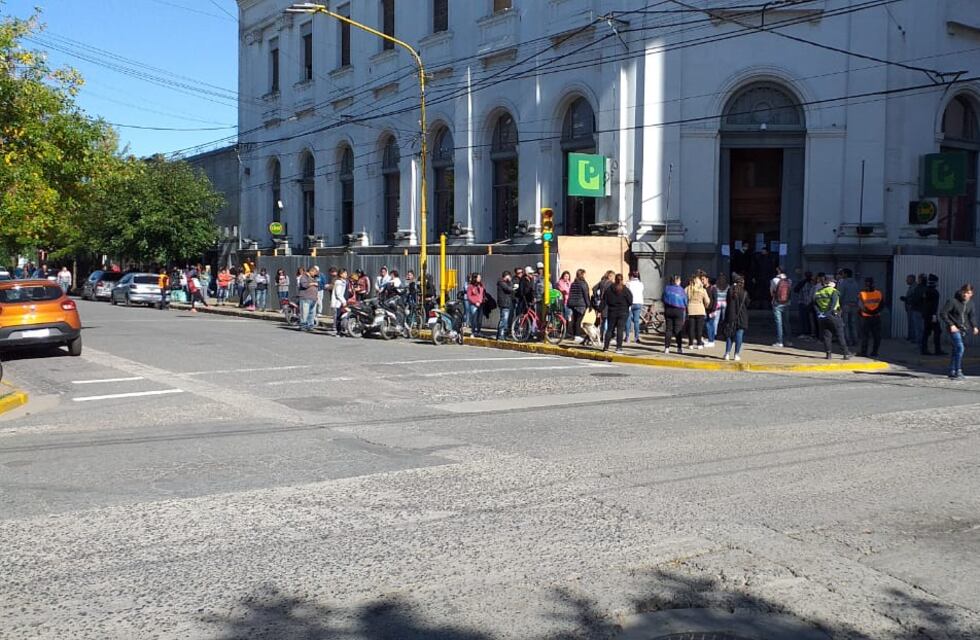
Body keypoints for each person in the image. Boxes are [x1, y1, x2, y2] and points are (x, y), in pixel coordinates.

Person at [940, 284, 978, 380]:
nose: (965, 295)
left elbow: (971, 316)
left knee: (956, 350)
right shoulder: (953, 301)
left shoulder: (971, 304)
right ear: (961, 291)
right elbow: (943, 313)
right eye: (964, 292)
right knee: (960, 348)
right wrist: (951, 324)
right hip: (953, 328)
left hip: (963, 329)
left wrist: (974, 326)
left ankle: (952, 370)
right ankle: (958, 370)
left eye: (968, 293)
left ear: (971, 294)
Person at [814, 276, 851, 360]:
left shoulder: (818, 292)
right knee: (840, 334)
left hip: (822, 316)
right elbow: (834, 303)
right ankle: (846, 353)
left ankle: (828, 354)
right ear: (830, 283)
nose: (835, 284)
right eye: (834, 282)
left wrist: (820, 313)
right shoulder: (833, 291)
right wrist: (829, 312)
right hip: (833, 315)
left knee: (827, 336)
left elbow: (814, 304)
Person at [601, 273, 632, 354]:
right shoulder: (625, 290)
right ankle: (618, 347)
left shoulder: (609, 289)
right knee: (620, 330)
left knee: (609, 329)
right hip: (623, 312)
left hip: (612, 311)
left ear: (615, 279)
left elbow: (604, 300)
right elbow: (630, 301)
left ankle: (606, 347)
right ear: (622, 280)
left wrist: (600, 310)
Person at [721, 274, 749, 361]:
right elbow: (747, 303)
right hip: (742, 317)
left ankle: (727, 353)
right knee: (739, 336)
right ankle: (736, 354)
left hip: (730, 316)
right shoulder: (745, 293)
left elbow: (727, 301)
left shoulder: (730, 291)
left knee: (730, 335)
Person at [857, 277, 884, 358]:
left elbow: (860, 306)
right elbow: (882, 305)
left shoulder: (862, 294)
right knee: (877, 336)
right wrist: (875, 312)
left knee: (865, 336)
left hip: (866, 317)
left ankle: (864, 352)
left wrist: (866, 312)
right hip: (876, 317)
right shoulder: (878, 293)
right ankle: (875, 352)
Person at [662, 275, 687, 354]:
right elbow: (685, 301)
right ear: (677, 281)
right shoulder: (681, 290)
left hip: (668, 310)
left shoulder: (667, 288)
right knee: (678, 330)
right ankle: (679, 348)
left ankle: (666, 348)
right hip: (678, 310)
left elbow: (663, 298)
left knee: (668, 329)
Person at [920, 274, 944, 356]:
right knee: (937, 331)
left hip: (926, 314)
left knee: (926, 332)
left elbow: (924, 303)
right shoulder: (934, 292)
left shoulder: (926, 291)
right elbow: (934, 305)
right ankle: (937, 350)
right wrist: (934, 315)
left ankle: (924, 349)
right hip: (931, 315)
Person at [684, 273, 710, 350]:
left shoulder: (688, 288)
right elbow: (707, 301)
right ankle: (699, 344)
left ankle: (691, 344)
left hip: (691, 310)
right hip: (700, 310)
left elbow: (683, 297)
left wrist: (687, 305)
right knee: (699, 328)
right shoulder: (702, 290)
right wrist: (705, 306)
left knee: (691, 328)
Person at [770, 266, 793, 348]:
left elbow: (772, 292)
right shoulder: (789, 281)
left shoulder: (774, 280)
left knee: (779, 323)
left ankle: (780, 341)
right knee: (787, 322)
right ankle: (789, 341)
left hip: (777, 303)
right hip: (787, 303)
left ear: (779, 271)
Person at [836, 268, 860, 346]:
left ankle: (848, 341)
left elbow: (840, 295)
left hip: (845, 305)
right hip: (854, 305)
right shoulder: (856, 283)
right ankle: (855, 341)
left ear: (846, 274)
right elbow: (858, 294)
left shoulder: (844, 283)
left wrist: (838, 304)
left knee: (845, 324)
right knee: (853, 324)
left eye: (842, 273)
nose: (842, 275)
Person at [568, 269, 591, 344]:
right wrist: (589, 305)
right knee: (578, 320)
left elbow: (570, 294)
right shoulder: (583, 283)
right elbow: (586, 295)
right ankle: (577, 335)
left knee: (574, 320)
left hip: (573, 304)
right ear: (582, 275)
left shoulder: (573, 283)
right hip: (581, 304)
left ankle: (574, 335)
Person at [708, 274, 728, 348]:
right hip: (725, 304)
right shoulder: (728, 286)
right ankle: (725, 333)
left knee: (716, 320)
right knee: (724, 320)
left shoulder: (715, 287)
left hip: (717, 304)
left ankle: (715, 334)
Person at [624, 271, 645, 344]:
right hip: (639, 303)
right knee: (636, 321)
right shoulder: (641, 284)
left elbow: (625, 293)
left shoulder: (628, 283)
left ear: (631, 276)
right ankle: (636, 337)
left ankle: (627, 337)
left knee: (628, 320)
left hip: (630, 303)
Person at [297, 267, 318, 332]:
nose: (315, 274)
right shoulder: (304, 277)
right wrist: (313, 283)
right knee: (304, 313)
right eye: (314, 272)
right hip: (305, 297)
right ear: (311, 271)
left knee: (312, 313)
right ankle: (303, 326)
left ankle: (310, 326)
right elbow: (304, 285)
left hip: (313, 298)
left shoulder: (313, 278)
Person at [794, 271, 814, 340]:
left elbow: (795, 290)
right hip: (809, 303)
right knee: (808, 319)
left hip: (803, 303)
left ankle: (805, 332)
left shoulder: (802, 282)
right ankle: (809, 332)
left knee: (803, 319)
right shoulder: (812, 283)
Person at [495, 271, 513, 340]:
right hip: (504, 303)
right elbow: (509, 289)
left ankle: (500, 335)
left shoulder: (503, 283)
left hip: (506, 303)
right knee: (504, 320)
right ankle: (500, 335)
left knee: (504, 319)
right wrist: (510, 282)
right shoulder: (502, 283)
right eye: (509, 277)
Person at [331, 269, 349, 335]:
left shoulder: (344, 282)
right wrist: (343, 301)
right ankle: (338, 331)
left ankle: (342, 330)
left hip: (342, 302)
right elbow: (338, 294)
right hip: (338, 303)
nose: (346, 274)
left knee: (342, 316)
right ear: (340, 274)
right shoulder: (338, 282)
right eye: (344, 273)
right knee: (338, 317)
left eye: (346, 273)